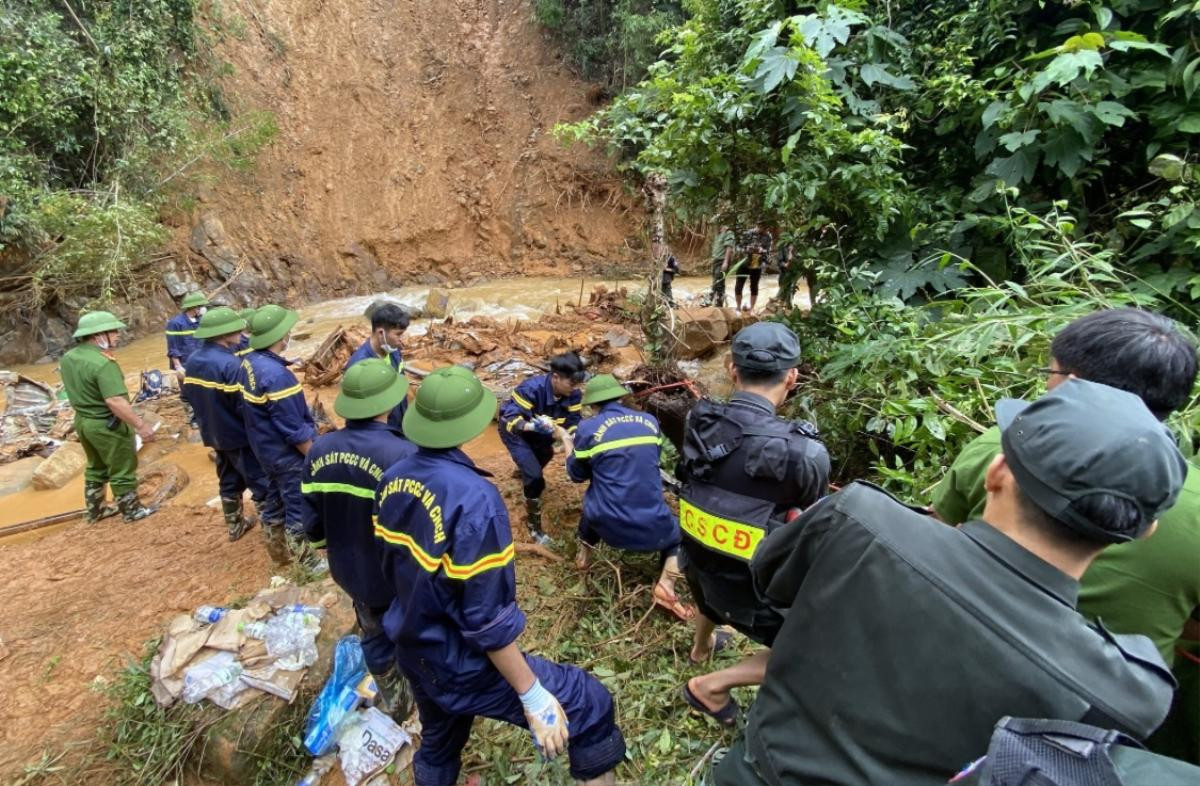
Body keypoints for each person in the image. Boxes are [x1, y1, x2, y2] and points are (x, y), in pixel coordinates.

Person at [713, 378, 1187, 785]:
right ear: (1142, 531)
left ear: (997, 471)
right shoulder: (1130, 691)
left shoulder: (857, 519)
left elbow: (771, 582)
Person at [931, 308, 1200, 761]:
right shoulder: (1190, 503)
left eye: (1051, 372)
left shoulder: (1002, 447)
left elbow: (935, 544)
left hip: (955, 685)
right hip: (1096, 738)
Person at [374, 366, 626, 786]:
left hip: (411, 645)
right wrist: (530, 692)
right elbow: (485, 617)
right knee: (589, 702)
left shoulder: (395, 476)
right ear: (471, 424)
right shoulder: (475, 499)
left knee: (440, 739)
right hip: (457, 659)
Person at [677, 322, 830, 726]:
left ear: (731, 369)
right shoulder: (806, 453)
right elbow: (814, 525)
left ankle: (701, 646)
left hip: (698, 568)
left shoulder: (698, 419)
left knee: (712, 559)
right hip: (756, 595)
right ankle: (713, 685)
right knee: (820, 646)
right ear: (792, 377)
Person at [302, 358, 416, 717]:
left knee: (373, 632)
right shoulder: (403, 454)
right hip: (395, 574)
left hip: (348, 568)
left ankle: (395, 701)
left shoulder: (320, 449)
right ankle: (420, 691)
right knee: (413, 631)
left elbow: (311, 515)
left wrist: (325, 547)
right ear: (387, 404)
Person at [563, 374, 693, 622]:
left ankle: (583, 563)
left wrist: (567, 441)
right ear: (621, 397)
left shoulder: (587, 428)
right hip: (654, 526)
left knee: (594, 505)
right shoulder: (649, 421)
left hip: (605, 525)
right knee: (682, 538)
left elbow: (576, 475)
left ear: (592, 405)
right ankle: (666, 585)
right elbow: (646, 460)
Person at [183, 307, 280, 542]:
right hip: (238, 435)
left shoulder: (194, 359)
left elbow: (187, 396)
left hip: (213, 433)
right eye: (237, 329)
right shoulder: (231, 365)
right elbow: (243, 406)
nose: (241, 332)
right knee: (262, 484)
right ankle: (275, 537)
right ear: (225, 333)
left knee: (228, 479)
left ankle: (235, 526)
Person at [238, 304, 317, 565]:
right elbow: (293, 428)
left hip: (264, 450)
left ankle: (278, 553)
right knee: (297, 505)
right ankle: (306, 563)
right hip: (286, 455)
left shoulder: (250, 362)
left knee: (274, 501)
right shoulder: (277, 377)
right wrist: (314, 458)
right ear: (279, 336)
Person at [60, 311, 157, 523]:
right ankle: (132, 511)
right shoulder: (104, 363)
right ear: (98, 335)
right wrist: (141, 426)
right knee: (122, 467)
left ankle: (96, 510)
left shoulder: (70, 357)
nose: (117, 335)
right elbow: (115, 401)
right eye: (113, 331)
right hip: (107, 425)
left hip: (83, 422)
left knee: (96, 466)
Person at [498, 352, 586, 546]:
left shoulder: (573, 394)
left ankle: (525, 472)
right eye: (571, 384)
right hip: (517, 432)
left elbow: (573, 420)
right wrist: (531, 426)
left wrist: (569, 435)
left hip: (544, 434)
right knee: (536, 477)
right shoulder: (531, 389)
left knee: (545, 454)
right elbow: (511, 419)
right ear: (556, 377)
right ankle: (534, 525)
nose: (575, 388)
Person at [344, 302, 411, 435]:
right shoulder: (359, 365)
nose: (402, 340)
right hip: (378, 435)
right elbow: (357, 413)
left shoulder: (393, 350)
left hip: (398, 426)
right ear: (381, 333)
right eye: (398, 334)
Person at [166, 291, 209, 374]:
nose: (203, 309)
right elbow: (173, 348)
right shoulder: (175, 323)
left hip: (201, 363)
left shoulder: (201, 321)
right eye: (200, 306)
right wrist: (178, 367)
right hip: (185, 365)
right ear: (194, 307)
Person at [735, 225, 771, 312]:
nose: (764, 230)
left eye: (765, 228)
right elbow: (738, 248)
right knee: (739, 285)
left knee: (754, 286)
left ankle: (751, 308)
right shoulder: (747, 234)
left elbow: (768, 251)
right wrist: (747, 249)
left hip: (757, 264)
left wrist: (762, 251)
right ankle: (738, 307)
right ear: (757, 225)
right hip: (744, 262)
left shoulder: (768, 236)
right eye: (762, 227)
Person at [709, 225, 736, 307]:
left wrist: (726, 262)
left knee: (718, 281)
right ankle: (718, 302)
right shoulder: (718, 235)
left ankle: (712, 299)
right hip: (716, 261)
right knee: (717, 281)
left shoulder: (729, 233)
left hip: (722, 260)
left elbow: (729, 248)